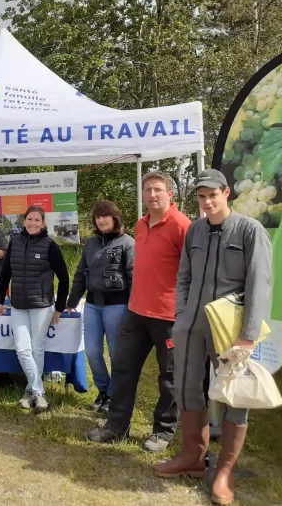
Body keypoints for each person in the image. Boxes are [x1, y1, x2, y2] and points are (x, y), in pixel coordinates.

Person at [154, 169, 272, 505]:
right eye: (202, 197)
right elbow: (184, 277)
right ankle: (192, 457)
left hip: (231, 329)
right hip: (192, 327)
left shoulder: (250, 231)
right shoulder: (195, 230)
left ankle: (225, 471)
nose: (207, 202)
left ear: (226, 193)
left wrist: (248, 336)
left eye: (212, 195)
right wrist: (181, 315)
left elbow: (259, 285)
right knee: (188, 387)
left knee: (234, 395)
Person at [87, 171, 191, 453]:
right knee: (122, 368)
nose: (152, 195)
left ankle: (162, 431)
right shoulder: (141, 225)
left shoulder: (182, 226)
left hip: (169, 317)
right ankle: (116, 426)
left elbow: (193, 271)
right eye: (148, 190)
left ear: (170, 194)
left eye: (158, 189)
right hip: (137, 312)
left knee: (169, 377)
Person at [0, 206, 70, 414]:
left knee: (36, 348)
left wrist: (59, 308)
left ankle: (30, 392)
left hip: (42, 305)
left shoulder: (50, 245)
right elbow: (6, 273)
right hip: (17, 304)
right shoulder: (15, 242)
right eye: (29, 219)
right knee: (22, 349)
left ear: (43, 223)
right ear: (24, 221)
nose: (33, 223)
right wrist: (0, 300)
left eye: (37, 220)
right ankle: (39, 391)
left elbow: (64, 278)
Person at [65, 200, 134, 414]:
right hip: (93, 305)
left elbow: (134, 277)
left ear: (115, 217)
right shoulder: (92, 243)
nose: (101, 220)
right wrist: (71, 302)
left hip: (118, 306)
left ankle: (114, 394)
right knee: (93, 352)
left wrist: (133, 311)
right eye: (98, 216)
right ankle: (103, 390)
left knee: (116, 354)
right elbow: (80, 274)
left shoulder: (127, 243)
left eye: (105, 216)